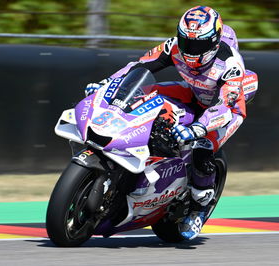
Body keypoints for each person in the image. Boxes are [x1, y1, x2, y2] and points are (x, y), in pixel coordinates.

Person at [84, 6, 258, 240]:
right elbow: (139, 66)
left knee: (201, 146)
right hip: (195, 94)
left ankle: (198, 209)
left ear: (214, 43)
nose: (189, 49)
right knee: (146, 95)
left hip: (226, 110)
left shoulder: (230, 64)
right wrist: (108, 83)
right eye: (186, 42)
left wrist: (200, 127)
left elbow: (225, 105)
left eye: (197, 46)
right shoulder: (173, 45)